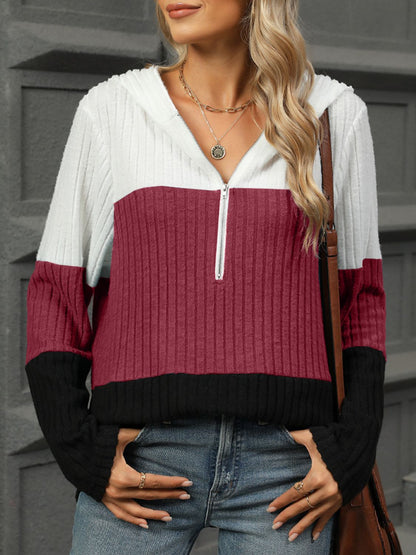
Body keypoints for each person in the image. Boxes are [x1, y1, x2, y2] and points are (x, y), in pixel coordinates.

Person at [25, 0, 386, 553]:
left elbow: (361, 297)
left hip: (287, 468)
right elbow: (57, 289)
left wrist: (351, 450)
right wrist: (79, 449)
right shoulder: (112, 109)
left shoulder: (333, 113)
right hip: (142, 457)